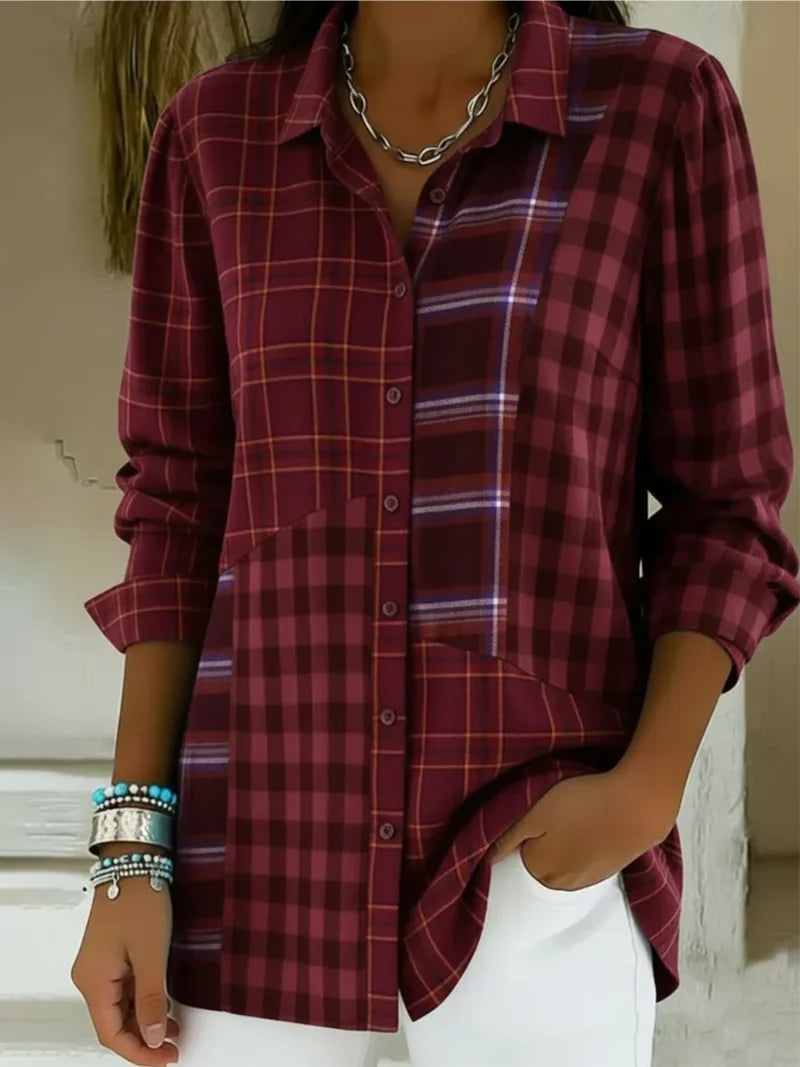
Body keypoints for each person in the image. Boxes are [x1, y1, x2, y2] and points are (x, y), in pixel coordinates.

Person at [70, 1, 800, 1065]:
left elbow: (724, 499)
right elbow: (177, 508)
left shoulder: (657, 107)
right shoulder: (214, 132)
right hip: (258, 852)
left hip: (531, 842)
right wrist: (129, 856)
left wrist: (645, 789)